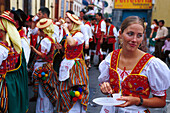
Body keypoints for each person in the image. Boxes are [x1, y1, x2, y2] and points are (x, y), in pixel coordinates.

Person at [98, 16, 170, 113]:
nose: (134, 40)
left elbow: (161, 102)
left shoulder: (151, 64)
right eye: (130, 34)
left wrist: (138, 101)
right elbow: (106, 87)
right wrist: (105, 88)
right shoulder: (111, 58)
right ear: (120, 34)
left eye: (139, 35)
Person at [56, 12, 89, 113]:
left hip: (75, 66)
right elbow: (68, 49)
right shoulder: (70, 35)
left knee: (75, 89)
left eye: (69, 23)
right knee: (64, 90)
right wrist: (61, 49)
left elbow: (71, 43)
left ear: (74, 24)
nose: (67, 25)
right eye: (66, 23)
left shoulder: (79, 35)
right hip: (67, 65)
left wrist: (65, 29)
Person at [0, 11, 28, 113]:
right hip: (11, 84)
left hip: (3, 83)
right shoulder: (15, 47)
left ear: (2, 32)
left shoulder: (2, 49)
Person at [29, 18, 57, 113]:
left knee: (43, 91)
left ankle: (43, 110)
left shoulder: (45, 41)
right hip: (48, 66)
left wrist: (34, 50)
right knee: (46, 90)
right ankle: (47, 109)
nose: (38, 32)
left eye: (39, 30)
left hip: (43, 66)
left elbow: (44, 56)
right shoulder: (51, 39)